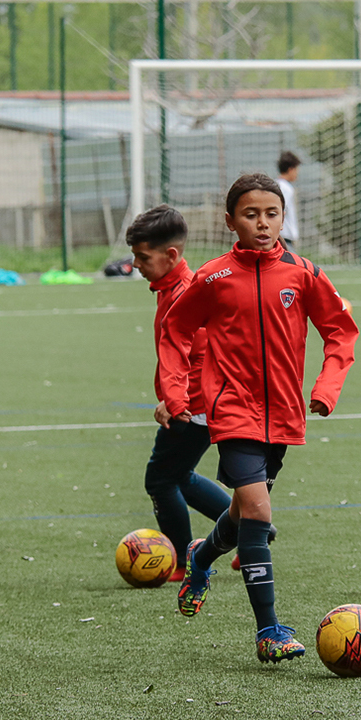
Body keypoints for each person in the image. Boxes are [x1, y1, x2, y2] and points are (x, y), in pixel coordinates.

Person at [158, 172, 357, 663]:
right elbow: (175, 330)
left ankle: (201, 557)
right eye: (251, 214)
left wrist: (326, 387)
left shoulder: (303, 273)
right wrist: (174, 390)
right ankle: (269, 630)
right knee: (260, 513)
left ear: (283, 217)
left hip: (285, 412)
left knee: (244, 511)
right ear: (231, 221)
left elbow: (340, 331)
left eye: (271, 214)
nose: (262, 223)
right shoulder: (213, 276)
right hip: (232, 410)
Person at [126, 204, 230, 581]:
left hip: (193, 408)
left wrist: (176, 402)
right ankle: (253, 528)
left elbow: (199, 356)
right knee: (180, 476)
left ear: (171, 255)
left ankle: (181, 563)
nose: (136, 264)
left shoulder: (185, 292)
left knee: (161, 479)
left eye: (143, 257)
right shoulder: (168, 286)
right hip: (191, 404)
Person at [275, 150, 301, 246]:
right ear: (291, 169)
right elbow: (280, 208)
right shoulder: (286, 188)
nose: (297, 173)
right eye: (296, 170)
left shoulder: (276, 184)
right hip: (284, 237)